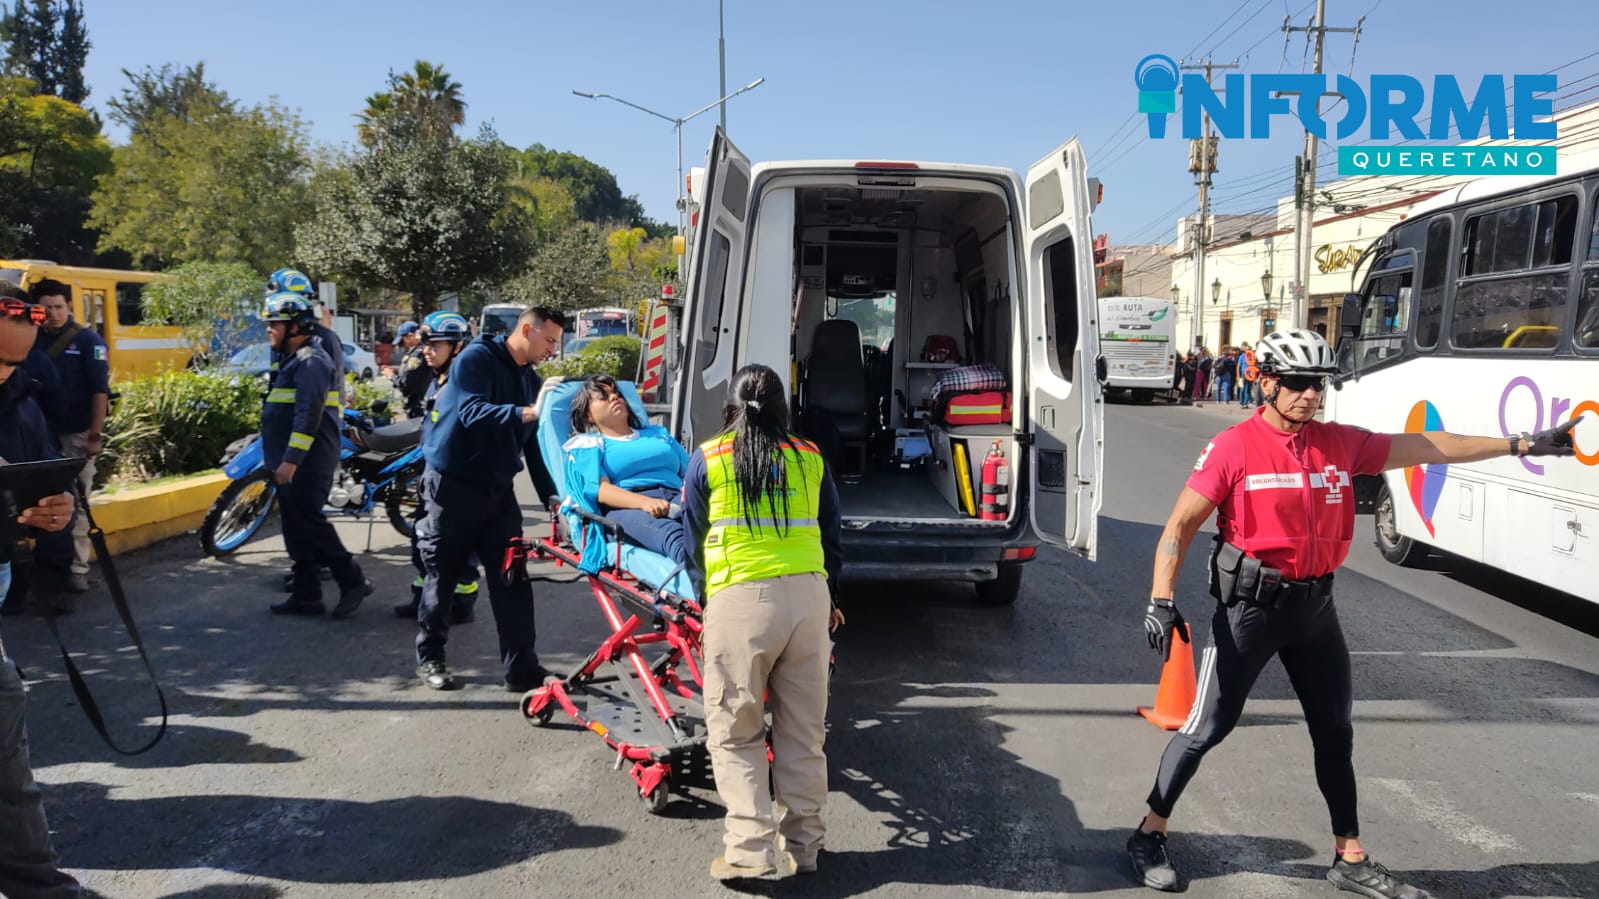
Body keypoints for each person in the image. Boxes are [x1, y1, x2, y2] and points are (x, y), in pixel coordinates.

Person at [1126, 329, 1583, 897]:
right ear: (1265, 382)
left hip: (1315, 612)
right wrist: (1161, 599)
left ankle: (1350, 857)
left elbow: (1430, 446)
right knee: (1206, 729)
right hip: (1251, 612)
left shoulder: (1339, 442)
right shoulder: (1233, 448)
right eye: (1295, 383)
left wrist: (1521, 444)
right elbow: (1180, 526)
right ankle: (1150, 831)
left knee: (1335, 733)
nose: (1309, 395)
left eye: (1317, 384)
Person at [682, 363, 845, 882]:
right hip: (808, 601)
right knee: (804, 732)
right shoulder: (810, 457)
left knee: (736, 731)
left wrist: (707, 603)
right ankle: (806, 845)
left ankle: (750, 850)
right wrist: (832, 599)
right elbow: (832, 535)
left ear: (730, 406)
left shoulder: (708, 458)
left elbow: (693, 543)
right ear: (783, 407)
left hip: (740, 603)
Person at [413, 305, 565, 691]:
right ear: (527, 330)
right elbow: (472, 412)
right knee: (441, 576)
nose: (552, 350)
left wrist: (554, 500)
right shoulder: (476, 359)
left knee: (512, 579)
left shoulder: (531, 380)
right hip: (453, 487)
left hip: (498, 493)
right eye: (549, 340)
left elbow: (534, 451)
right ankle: (430, 658)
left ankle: (522, 669)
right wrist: (529, 413)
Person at [0, 293, 84, 898]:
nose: (25, 322)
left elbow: (36, 479)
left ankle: (35, 882)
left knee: (7, 748)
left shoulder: (23, 395)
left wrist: (54, 509)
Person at [259, 292, 371, 618]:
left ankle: (352, 580)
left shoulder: (311, 362)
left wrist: (290, 460)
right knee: (296, 524)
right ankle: (307, 595)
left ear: (295, 327)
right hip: (291, 459)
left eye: (274, 324)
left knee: (310, 523)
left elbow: (308, 416)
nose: (269, 331)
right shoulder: (293, 361)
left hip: (308, 459)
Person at [393, 311, 480, 622]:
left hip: (456, 481)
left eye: (436, 345)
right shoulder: (437, 380)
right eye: (425, 345)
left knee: (455, 546)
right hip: (433, 476)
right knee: (423, 541)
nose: (427, 351)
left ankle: (460, 604)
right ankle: (423, 598)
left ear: (457, 347)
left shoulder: (464, 384)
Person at [29, 279, 109, 601]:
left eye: (59, 307)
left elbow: (100, 391)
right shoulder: (29, 340)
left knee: (75, 502)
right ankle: (47, 571)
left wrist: (95, 435)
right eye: (46, 308)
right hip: (40, 436)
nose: (53, 313)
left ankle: (77, 571)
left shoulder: (88, 341)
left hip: (77, 435)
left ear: (70, 307)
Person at [563, 373, 691, 567]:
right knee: (674, 536)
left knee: (715, 527)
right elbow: (600, 489)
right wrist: (644, 503)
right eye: (603, 397)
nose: (614, 397)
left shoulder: (658, 434)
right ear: (588, 414)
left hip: (675, 495)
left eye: (616, 394)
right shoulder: (588, 444)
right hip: (626, 507)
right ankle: (703, 593)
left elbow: (691, 472)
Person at [394, 321, 431, 420]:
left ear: (411, 336)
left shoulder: (417, 354)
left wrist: (391, 376)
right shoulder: (416, 352)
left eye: (403, 340)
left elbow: (406, 384)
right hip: (417, 404)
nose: (403, 344)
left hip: (417, 405)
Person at [1238, 342, 1258, 407]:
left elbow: (1255, 364)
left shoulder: (1253, 357)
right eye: (1248, 349)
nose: (1249, 350)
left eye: (1250, 349)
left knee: (1248, 389)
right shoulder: (1242, 356)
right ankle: (1241, 402)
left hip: (1250, 375)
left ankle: (1246, 403)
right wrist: (1238, 375)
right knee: (1242, 389)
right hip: (1243, 374)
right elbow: (1238, 366)